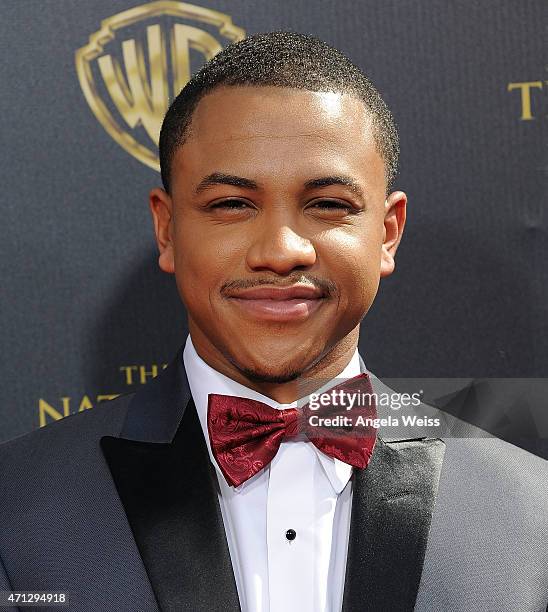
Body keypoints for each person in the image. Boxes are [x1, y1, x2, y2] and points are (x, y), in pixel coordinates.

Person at [0, 31, 546, 612]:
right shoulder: (17, 503)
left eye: (328, 204)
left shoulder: (530, 514)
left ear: (387, 233)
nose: (282, 249)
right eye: (232, 205)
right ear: (167, 229)